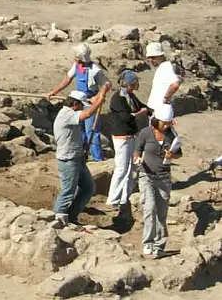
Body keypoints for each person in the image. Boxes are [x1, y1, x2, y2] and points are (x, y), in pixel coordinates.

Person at [53, 87, 109, 226]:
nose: (82, 108)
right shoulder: (66, 114)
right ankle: (58, 220)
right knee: (68, 191)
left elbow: (91, 103)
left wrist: (102, 92)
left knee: (88, 187)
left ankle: (72, 215)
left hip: (77, 157)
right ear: (75, 104)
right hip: (68, 159)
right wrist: (98, 103)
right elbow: (87, 114)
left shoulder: (71, 111)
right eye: (81, 105)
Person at [46, 44, 111, 162]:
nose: (74, 59)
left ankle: (98, 159)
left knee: (92, 131)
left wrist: (98, 97)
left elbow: (106, 84)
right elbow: (67, 79)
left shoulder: (95, 70)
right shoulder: (77, 66)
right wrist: (54, 92)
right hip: (77, 102)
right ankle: (81, 155)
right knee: (79, 130)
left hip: (90, 103)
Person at [133, 104, 182, 258]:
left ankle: (159, 245)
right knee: (149, 208)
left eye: (168, 123)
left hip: (163, 177)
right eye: (164, 123)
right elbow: (137, 151)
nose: (166, 126)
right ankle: (148, 243)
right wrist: (137, 159)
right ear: (156, 121)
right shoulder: (145, 133)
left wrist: (172, 156)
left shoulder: (172, 135)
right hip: (146, 175)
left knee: (161, 212)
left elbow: (179, 153)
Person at [106, 70, 150, 213]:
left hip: (131, 135)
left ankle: (125, 198)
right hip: (121, 137)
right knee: (121, 168)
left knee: (131, 168)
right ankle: (113, 199)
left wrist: (151, 111)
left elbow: (140, 105)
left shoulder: (130, 96)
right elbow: (126, 117)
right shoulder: (117, 99)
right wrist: (140, 113)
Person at [145, 42, 181, 113]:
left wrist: (166, 98)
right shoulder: (162, 67)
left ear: (161, 56)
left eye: (153, 57)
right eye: (149, 58)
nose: (151, 60)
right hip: (155, 109)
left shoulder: (166, 67)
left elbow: (175, 85)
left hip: (160, 110)